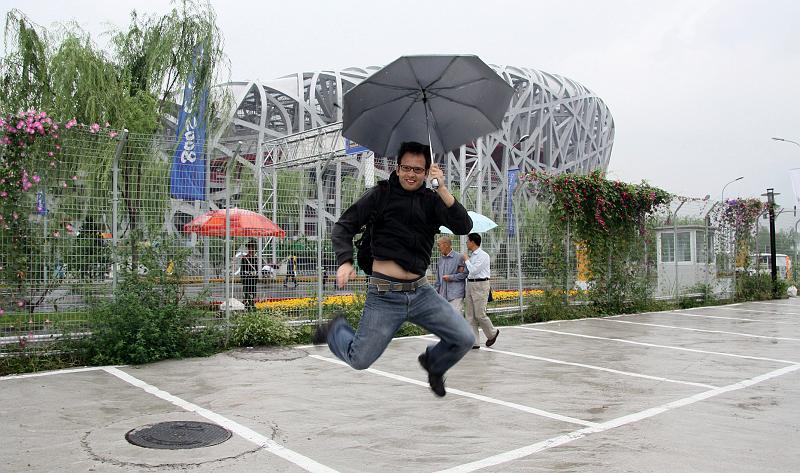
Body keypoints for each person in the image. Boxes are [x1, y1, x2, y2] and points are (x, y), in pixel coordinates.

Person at [315, 141, 475, 397]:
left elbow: (463, 226)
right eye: (406, 168)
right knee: (359, 360)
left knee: (464, 338)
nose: (411, 174)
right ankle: (336, 330)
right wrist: (345, 261)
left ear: (426, 173)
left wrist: (442, 189)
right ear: (398, 168)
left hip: (421, 293)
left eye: (418, 170)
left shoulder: (432, 201)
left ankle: (434, 363)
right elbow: (344, 226)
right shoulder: (381, 194)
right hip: (384, 295)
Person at [463, 233, 500, 347]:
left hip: (480, 285)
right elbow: (470, 272)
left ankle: (492, 333)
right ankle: (474, 342)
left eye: (467, 241)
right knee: (470, 315)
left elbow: (474, 270)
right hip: (470, 284)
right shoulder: (472, 256)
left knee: (480, 314)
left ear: (472, 242)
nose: (466, 243)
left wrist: (466, 260)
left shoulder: (483, 255)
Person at [434, 235, 469, 318]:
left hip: (455, 294)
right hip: (443, 295)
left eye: (439, 245)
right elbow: (438, 279)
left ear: (446, 245)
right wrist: (436, 292)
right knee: (445, 319)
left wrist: (451, 277)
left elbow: (465, 274)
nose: (438, 248)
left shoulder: (459, 257)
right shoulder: (440, 259)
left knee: (456, 318)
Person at [241, 239, 259, 309]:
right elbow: (242, 269)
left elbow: (257, 269)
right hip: (246, 279)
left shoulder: (255, 258)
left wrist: (256, 278)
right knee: (246, 294)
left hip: (253, 279)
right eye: (250, 247)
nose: (251, 249)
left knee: (253, 294)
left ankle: (252, 305)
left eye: (253, 247)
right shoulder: (245, 258)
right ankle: (246, 306)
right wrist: (243, 279)